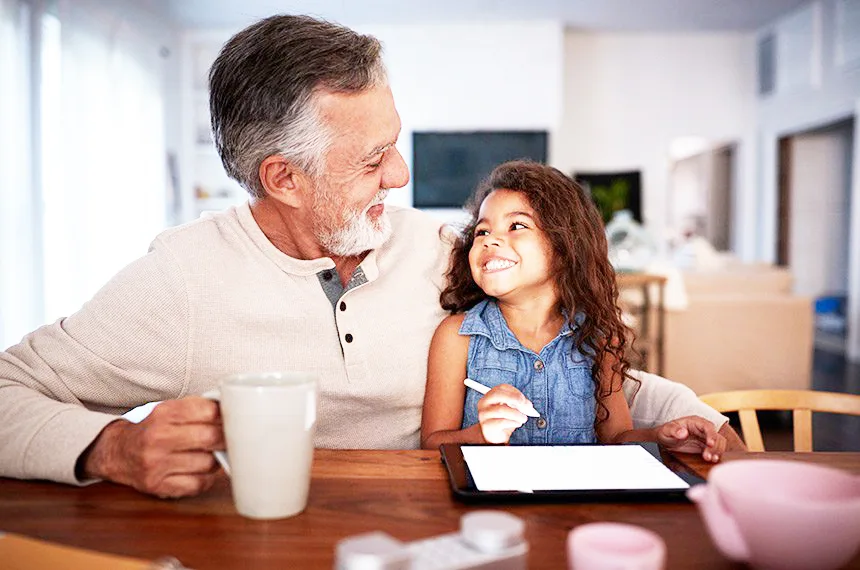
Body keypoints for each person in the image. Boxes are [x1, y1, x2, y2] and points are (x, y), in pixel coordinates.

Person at [0, 15, 742, 499]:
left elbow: (578, 368)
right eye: (373, 158)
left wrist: (694, 415)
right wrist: (110, 447)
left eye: (398, 143)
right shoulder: (181, 283)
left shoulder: (446, 254)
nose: (402, 176)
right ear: (283, 178)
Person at [421, 161, 725, 462]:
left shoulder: (598, 338)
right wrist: (481, 436)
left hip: (579, 507)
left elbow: (617, 440)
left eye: (517, 226)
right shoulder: (457, 336)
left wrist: (659, 437)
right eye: (482, 231)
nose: (491, 240)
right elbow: (432, 444)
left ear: (564, 247)